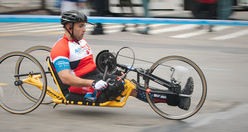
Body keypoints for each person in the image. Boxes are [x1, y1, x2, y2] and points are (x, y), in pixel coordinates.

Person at [50, 10, 193, 110]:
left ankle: (177, 97)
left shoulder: (80, 41)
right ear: (69, 27)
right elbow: (66, 79)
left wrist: (109, 69)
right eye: (81, 26)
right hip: (79, 85)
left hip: (94, 75)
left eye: (84, 26)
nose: (85, 29)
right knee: (125, 87)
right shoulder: (60, 48)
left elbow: (91, 65)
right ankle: (177, 99)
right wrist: (93, 83)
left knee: (131, 83)